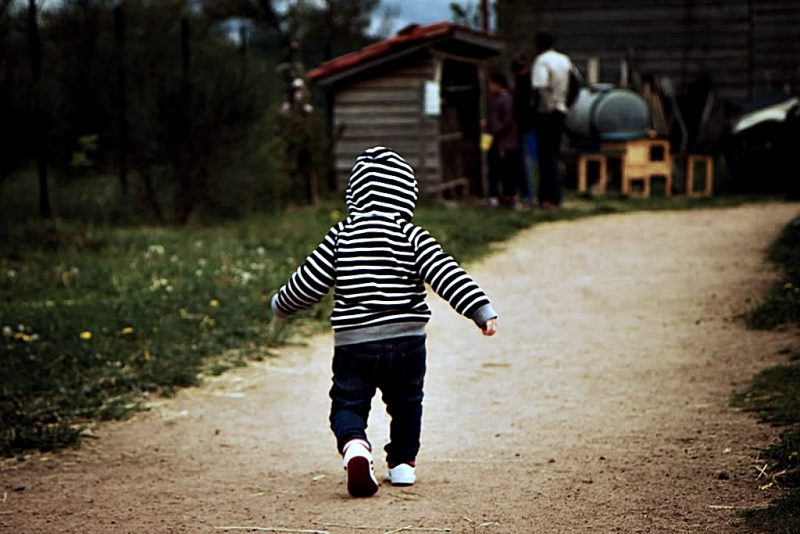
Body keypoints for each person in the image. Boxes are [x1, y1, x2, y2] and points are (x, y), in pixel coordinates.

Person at [271, 146, 499, 498]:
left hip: (354, 344)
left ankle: (355, 447)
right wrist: (479, 309)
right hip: (406, 342)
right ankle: (403, 464)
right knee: (407, 402)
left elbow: (309, 280)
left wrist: (282, 304)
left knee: (348, 403)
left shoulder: (341, 235)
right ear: (407, 193)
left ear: (354, 193)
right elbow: (446, 273)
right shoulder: (412, 235)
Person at [531, 32, 572, 208]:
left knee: (545, 156)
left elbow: (539, 86)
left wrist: (538, 108)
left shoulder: (542, 61)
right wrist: (566, 103)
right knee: (554, 154)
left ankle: (549, 197)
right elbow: (576, 83)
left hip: (546, 112)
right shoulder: (564, 60)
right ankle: (551, 195)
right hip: (561, 109)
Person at [486, 71, 521, 208]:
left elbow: (507, 120)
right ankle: (499, 197)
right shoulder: (497, 99)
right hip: (499, 141)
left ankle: (510, 197)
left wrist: (495, 131)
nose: (489, 86)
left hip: (505, 143)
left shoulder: (505, 98)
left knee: (506, 172)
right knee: (496, 170)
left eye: (491, 83)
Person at [511, 53, 536, 205]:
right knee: (525, 161)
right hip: (525, 125)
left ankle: (528, 193)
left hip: (525, 126)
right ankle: (527, 192)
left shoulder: (524, 83)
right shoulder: (528, 81)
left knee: (525, 160)